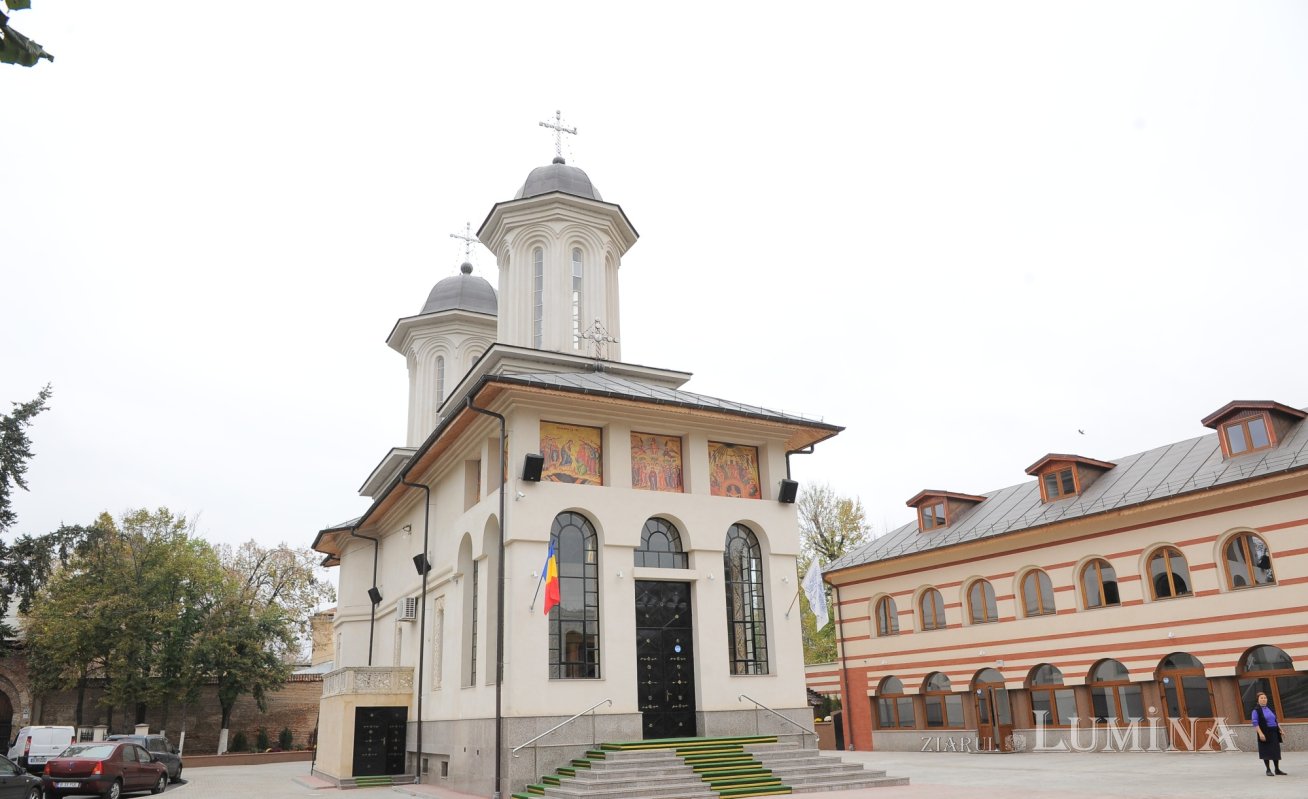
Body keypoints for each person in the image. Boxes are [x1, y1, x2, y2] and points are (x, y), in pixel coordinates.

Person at [1252, 691, 1286, 776]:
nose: (1264, 699)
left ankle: (1277, 769)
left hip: (1274, 732)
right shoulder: (1256, 710)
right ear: (1258, 700)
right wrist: (1260, 734)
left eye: (1265, 698)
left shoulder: (1269, 708)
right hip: (1264, 732)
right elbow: (1255, 723)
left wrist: (1280, 729)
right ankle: (1268, 770)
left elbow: (1275, 720)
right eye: (1261, 698)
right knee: (1266, 751)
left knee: (1275, 751)